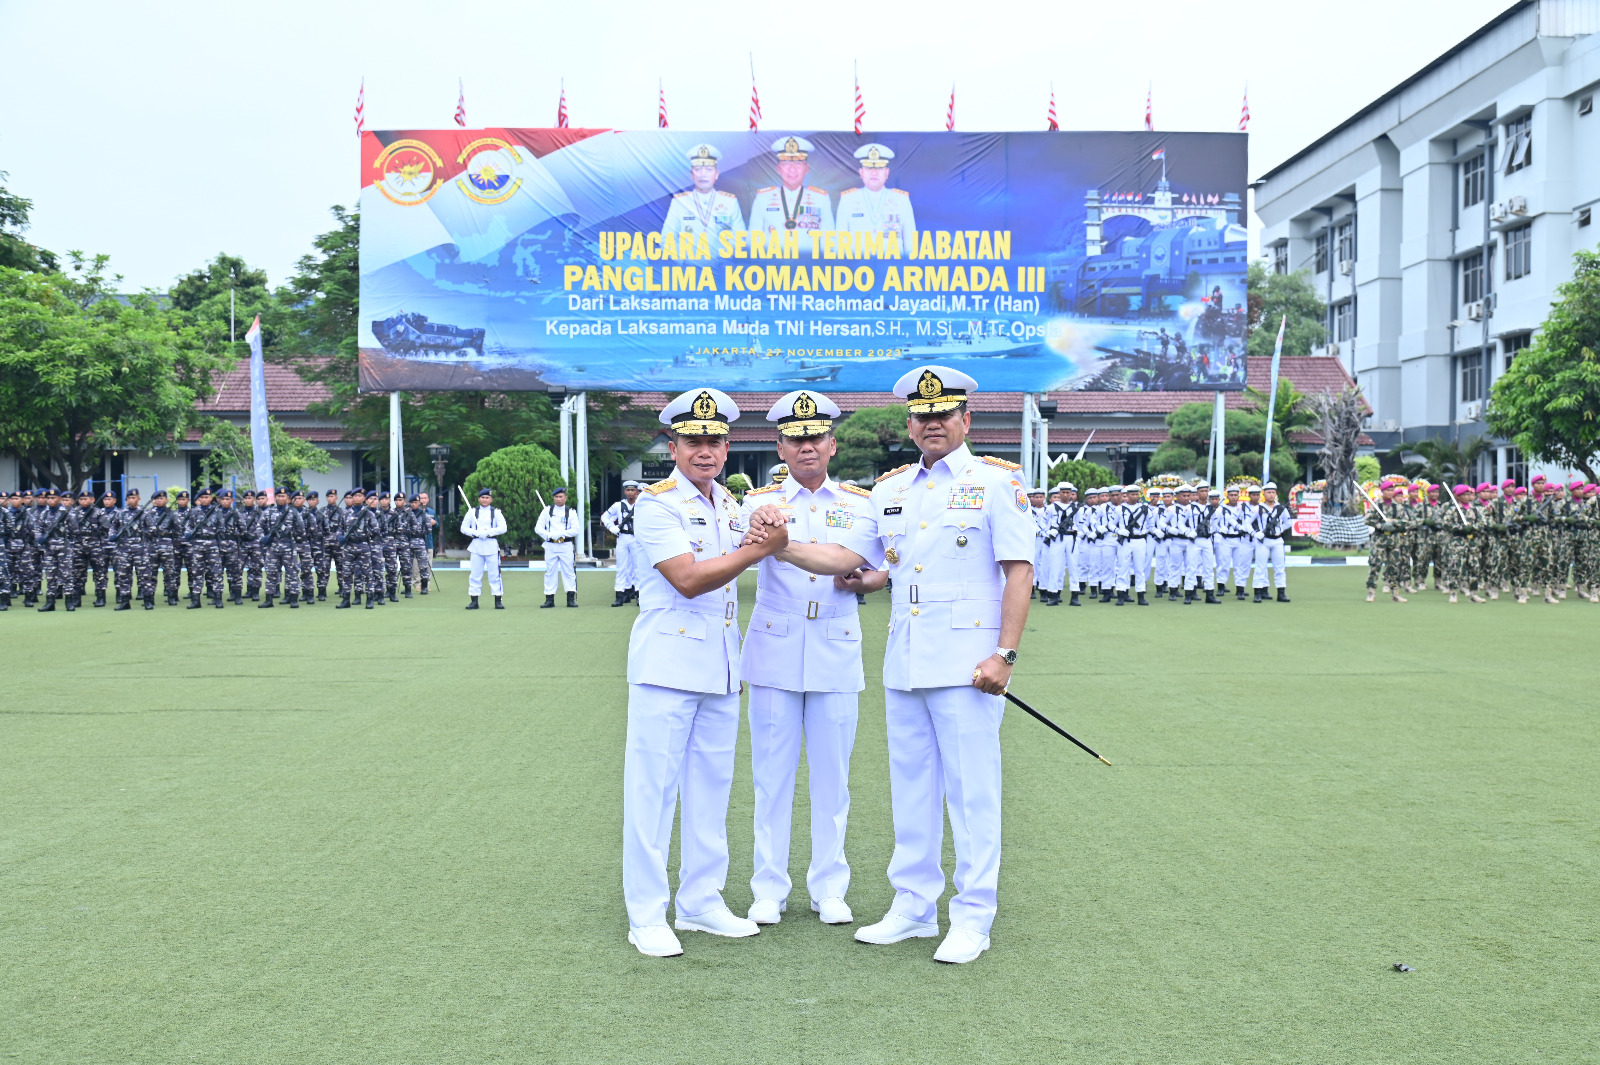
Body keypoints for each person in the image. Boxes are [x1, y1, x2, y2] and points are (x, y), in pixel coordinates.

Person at [748, 364, 1035, 965]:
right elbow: (861, 558)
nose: (934, 424)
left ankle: (973, 915)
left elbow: (1018, 570)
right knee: (911, 788)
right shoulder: (892, 490)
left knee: (972, 791)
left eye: (944, 414)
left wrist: (1005, 653)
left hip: (968, 660)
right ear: (910, 423)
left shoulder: (996, 483)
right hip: (905, 656)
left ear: (966, 419)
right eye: (923, 416)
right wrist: (858, 574)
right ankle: (913, 905)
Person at [621, 387, 789, 958]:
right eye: (694, 441)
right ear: (673, 446)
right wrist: (760, 549)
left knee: (711, 792)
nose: (706, 451)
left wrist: (767, 517)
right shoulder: (657, 503)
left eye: (715, 441)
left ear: (727, 446)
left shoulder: (727, 502)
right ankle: (646, 914)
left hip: (720, 666)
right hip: (667, 665)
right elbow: (689, 579)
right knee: (653, 796)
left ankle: (701, 902)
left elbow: (762, 522)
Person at [738, 389, 872, 929]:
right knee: (771, 777)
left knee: (833, 777)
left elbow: (868, 564)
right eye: (795, 439)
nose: (806, 446)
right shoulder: (755, 506)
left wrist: (867, 578)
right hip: (774, 646)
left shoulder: (860, 505)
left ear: (832, 444)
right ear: (780, 446)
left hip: (836, 646)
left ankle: (829, 886)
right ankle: (768, 888)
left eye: (815, 437)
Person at [747, 137, 834, 247]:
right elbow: (753, 240)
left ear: (807, 169)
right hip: (773, 262)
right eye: (786, 163)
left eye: (798, 163)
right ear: (778, 169)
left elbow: (829, 241)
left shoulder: (821, 199)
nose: (792, 169)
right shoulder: (763, 198)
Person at [836, 143, 917, 256]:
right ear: (861, 172)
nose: (874, 172)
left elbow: (911, 243)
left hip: (891, 269)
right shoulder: (847, 200)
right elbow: (840, 244)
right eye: (869, 167)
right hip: (858, 269)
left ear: (887, 173)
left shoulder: (901, 200)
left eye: (879, 167)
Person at [661, 143, 746, 241]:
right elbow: (666, 239)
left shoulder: (729, 202)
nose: (703, 174)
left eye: (709, 169)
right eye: (698, 169)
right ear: (692, 175)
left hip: (722, 256)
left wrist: (722, 255)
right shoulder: (679, 202)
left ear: (716, 174)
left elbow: (740, 238)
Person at [462, 486, 506, 610]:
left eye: (487, 498)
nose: (485, 500)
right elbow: (463, 528)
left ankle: (498, 599)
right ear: (478, 499)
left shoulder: (496, 512)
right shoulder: (472, 512)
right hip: (476, 546)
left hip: (491, 545)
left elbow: (503, 528)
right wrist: (476, 533)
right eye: (482, 497)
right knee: (475, 574)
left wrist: (489, 532)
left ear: (491, 499)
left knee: (495, 574)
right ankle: (474, 600)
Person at [536, 487, 581, 608]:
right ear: (553, 498)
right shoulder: (547, 511)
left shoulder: (571, 512)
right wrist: (549, 535)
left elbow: (576, 529)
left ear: (565, 498)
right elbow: (538, 528)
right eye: (556, 497)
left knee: (569, 571)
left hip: (565, 545)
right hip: (551, 545)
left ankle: (570, 598)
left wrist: (562, 533)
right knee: (550, 572)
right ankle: (549, 599)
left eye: (561, 497)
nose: (558, 499)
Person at [602, 481, 644, 607]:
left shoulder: (642, 504)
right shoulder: (618, 505)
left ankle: (638, 594)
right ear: (625, 491)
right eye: (628, 490)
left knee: (638, 567)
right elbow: (605, 516)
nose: (630, 492)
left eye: (633, 490)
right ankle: (619, 595)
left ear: (637, 491)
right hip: (623, 537)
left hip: (637, 538)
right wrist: (611, 527)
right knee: (621, 567)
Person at [1253, 482, 1293, 602]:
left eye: (1273, 492)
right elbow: (1246, 523)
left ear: (1276, 494)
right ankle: (1258, 593)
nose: (1271, 495)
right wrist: (1255, 533)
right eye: (1268, 492)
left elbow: (1288, 522)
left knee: (1280, 567)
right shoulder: (1258, 508)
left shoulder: (1281, 508)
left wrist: (1281, 529)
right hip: (1263, 541)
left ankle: (1281, 593)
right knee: (1260, 567)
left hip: (1277, 541)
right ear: (1264, 494)